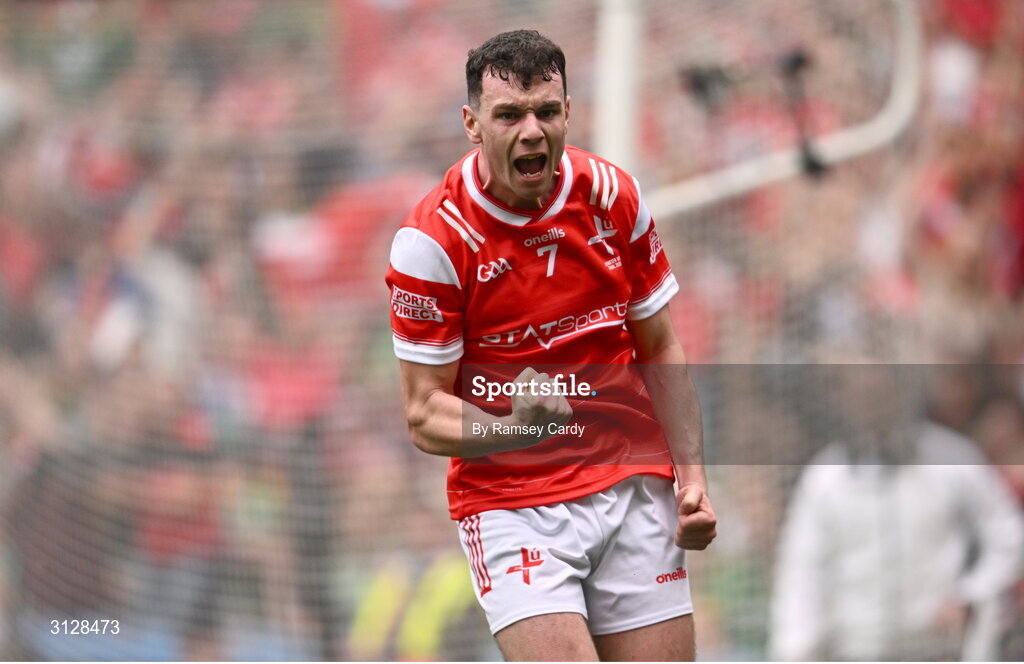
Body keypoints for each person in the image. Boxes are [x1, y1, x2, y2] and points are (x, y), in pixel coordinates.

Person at [384, 30, 716, 661]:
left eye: (546, 110)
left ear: (569, 112)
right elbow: (423, 413)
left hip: (631, 481)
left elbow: (660, 345)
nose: (531, 130)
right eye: (508, 114)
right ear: (472, 124)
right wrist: (516, 429)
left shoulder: (614, 197)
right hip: (513, 508)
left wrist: (692, 480)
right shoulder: (431, 242)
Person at [769, 365, 1024, 661]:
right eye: (860, 394)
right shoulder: (825, 479)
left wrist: (972, 594)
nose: (870, 403)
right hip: (855, 652)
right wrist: (793, 653)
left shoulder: (952, 459)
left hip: (939, 650)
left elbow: (1008, 535)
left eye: (879, 392)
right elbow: (802, 574)